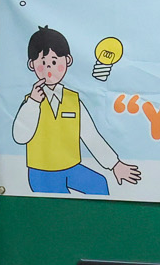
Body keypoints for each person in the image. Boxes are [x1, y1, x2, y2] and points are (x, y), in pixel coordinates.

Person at [13, 25, 141, 196]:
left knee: (99, 185)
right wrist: (34, 103)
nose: (49, 68)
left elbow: (90, 135)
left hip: (71, 167)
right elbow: (20, 137)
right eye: (43, 63)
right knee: (61, 208)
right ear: (31, 65)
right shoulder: (31, 101)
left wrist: (115, 165)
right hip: (42, 171)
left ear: (68, 61)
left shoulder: (73, 99)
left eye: (54, 62)